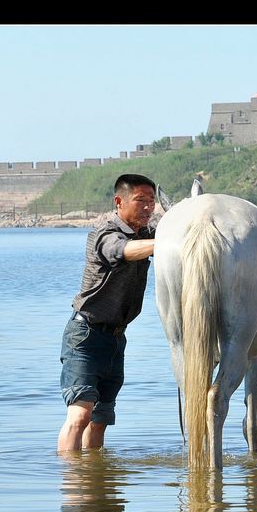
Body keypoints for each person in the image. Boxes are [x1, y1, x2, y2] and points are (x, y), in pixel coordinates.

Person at [57, 174, 157, 453]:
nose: (148, 207)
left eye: (152, 201)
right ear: (119, 201)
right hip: (85, 336)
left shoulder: (146, 234)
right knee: (79, 416)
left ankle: (95, 483)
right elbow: (124, 251)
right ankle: (72, 485)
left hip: (116, 340)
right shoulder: (105, 232)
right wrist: (170, 242)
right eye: (140, 201)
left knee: (99, 420)